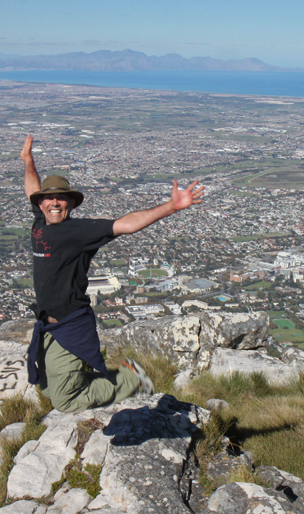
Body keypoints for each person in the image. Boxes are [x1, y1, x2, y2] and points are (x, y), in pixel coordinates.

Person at [21, 135, 204, 412]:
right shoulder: (39, 224)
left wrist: (172, 206)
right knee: (46, 386)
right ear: (41, 204)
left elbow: (125, 225)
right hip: (47, 325)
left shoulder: (79, 231)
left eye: (61, 198)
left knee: (64, 401)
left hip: (69, 325)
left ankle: (132, 380)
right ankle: (98, 380)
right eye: (48, 199)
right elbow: (32, 189)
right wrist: (28, 162)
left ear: (70, 204)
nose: (54, 203)